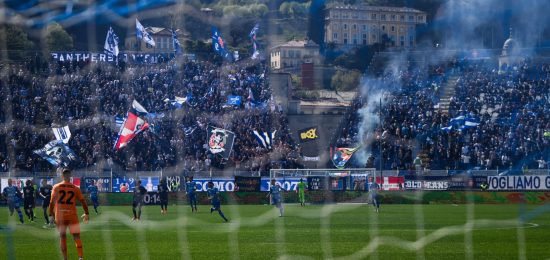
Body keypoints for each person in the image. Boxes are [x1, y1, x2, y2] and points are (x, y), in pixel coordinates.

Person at [49, 168, 90, 260]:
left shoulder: (56, 186)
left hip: (60, 216)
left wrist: (50, 214)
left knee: (62, 236)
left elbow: (51, 202)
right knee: (76, 236)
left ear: (62, 176)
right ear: (70, 176)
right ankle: (80, 258)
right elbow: (83, 201)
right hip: (72, 215)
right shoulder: (75, 188)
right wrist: (86, 213)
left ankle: (65, 259)